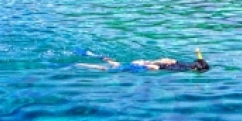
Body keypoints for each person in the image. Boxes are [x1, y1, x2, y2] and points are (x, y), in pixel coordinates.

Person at [76, 48, 210, 72]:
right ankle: (81, 63)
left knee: (115, 64)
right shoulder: (183, 68)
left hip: (146, 63)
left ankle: (91, 55)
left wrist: (198, 52)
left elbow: (200, 59)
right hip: (144, 66)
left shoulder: (189, 64)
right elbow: (163, 64)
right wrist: (149, 65)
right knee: (108, 69)